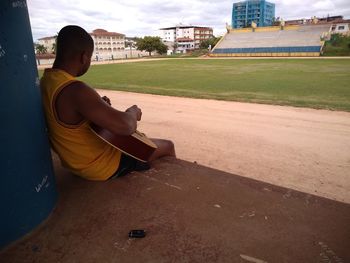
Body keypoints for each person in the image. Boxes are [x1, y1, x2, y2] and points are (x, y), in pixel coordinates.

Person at [40, 25, 175, 181]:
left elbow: (71, 115)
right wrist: (133, 112)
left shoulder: (47, 81)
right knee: (168, 145)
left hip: (76, 162)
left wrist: (100, 105)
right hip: (102, 165)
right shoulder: (76, 89)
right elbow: (126, 126)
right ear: (84, 57)